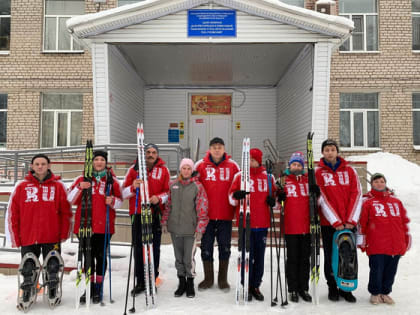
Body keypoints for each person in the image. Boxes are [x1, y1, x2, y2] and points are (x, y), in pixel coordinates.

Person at [7, 154, 72, 306]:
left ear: (49, 165)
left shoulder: (58, 186)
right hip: (28, 235)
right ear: (32, 166)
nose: (40, 166)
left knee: (53, 266)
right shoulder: (22, 186)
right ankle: (28, 290)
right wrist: (16, 237)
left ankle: (52, 289)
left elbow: (66, 212)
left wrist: (63, 233)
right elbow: (13, 213)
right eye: (37, 164)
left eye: (43, 163)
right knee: (28, 267)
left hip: (51, 234)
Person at [68, 150, 122, 304]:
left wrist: (111, 201)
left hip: (104, 226)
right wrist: (80, 187)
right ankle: (89, 287)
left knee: (100, 257)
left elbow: (120, 201)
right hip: (85, 225)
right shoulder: (82, 178)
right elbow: (69, 199)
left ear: (106, 162)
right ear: (91, 162)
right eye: (96, 159)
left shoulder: (112, 180)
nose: (99, 162)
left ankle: (98, 288)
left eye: (102, 160)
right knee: (88, 259)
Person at [315, 139, 362, 303]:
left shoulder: (350, 171)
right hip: (329, 225)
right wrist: (335, 221)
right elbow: (322, 198)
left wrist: (351, 220)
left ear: (337, 151)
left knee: (348, 256)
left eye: (332, 149)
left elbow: (356, 194)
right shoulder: (318, 172)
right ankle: (332, 287)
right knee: (331, 256)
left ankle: (346, 287)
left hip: (348, 224)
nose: (329, 152)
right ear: (322, 152)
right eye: (326, 150)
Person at [122, 143, 170, 295]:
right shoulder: (133, 169)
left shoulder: (163, 170)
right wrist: (133, 187)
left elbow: (168, 192)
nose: (150, 154)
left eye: (153, 152)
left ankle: (152, 279)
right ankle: (140, 281)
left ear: (157, 155)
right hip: (137, 213)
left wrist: (159, 198)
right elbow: (122, 193)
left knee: (153, 248)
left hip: (154, 213)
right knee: (138, 248)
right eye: (148, 152)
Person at [228, 148, 275, 301]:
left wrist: (273, 202)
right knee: (246, 256)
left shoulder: (268, 177)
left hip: (262, 224)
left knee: (259, 256)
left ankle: (255, 285)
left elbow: (275, 201)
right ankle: (246, 285)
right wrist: (236, 195)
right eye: (249, 160)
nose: (251, 162)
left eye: (254, 160)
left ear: (259, 161)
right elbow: (231, 199)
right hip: (245, 223)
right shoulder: (239, 176)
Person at [194, 137, 240, 291]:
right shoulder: (200, 165)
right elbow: (192, 186)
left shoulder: (233, 166)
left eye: (220, 147)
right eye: (214, 147)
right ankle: (208, 279)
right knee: (206, 247)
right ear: (209, 149)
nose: (217, 149)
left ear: (224, 149)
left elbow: (240, 185)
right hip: (205, 216)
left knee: (224, 247)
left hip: (225, 215)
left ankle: (222, 280)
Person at [358, 173, 411, 305]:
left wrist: (405, 240)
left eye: (382, 181)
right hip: (377, 243)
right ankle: (375, 293)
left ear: (385, 183)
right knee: (377, 269)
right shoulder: (367, 202)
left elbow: (403, 222)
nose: (379, 184)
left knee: (391, 271)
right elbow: (362, 223)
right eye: (376, 181)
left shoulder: (396, 201)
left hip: (396, 244)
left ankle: (385, 292)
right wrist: (362, 241)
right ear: (372, 184)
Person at [161, 158, 209, 298]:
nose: (186, 171)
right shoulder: (173, 185)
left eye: (189, 168)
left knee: (188, 258)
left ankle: (190, 283)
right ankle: (181, 282)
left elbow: (202, 208)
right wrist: (164, 222)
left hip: (190, 229)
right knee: (178, 258)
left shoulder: (197, 186)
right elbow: (168, 206)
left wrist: (200, 228)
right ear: (180, 169)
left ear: (192, 170)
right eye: (184, 168)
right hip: (175, 228)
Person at [277, 151, 315, 303]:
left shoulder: (308, 181)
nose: (296, 167)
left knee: (305, 259)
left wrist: (316, 193)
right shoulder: (284, 180)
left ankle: (303, 288)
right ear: (290, 166)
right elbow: (275, 200)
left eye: (299, 164)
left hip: (306, 227)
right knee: (292, 259)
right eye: (294, 164)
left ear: (303, 166)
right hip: (291, 226)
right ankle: (292, 288)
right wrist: (279, 197)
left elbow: (316, 202)